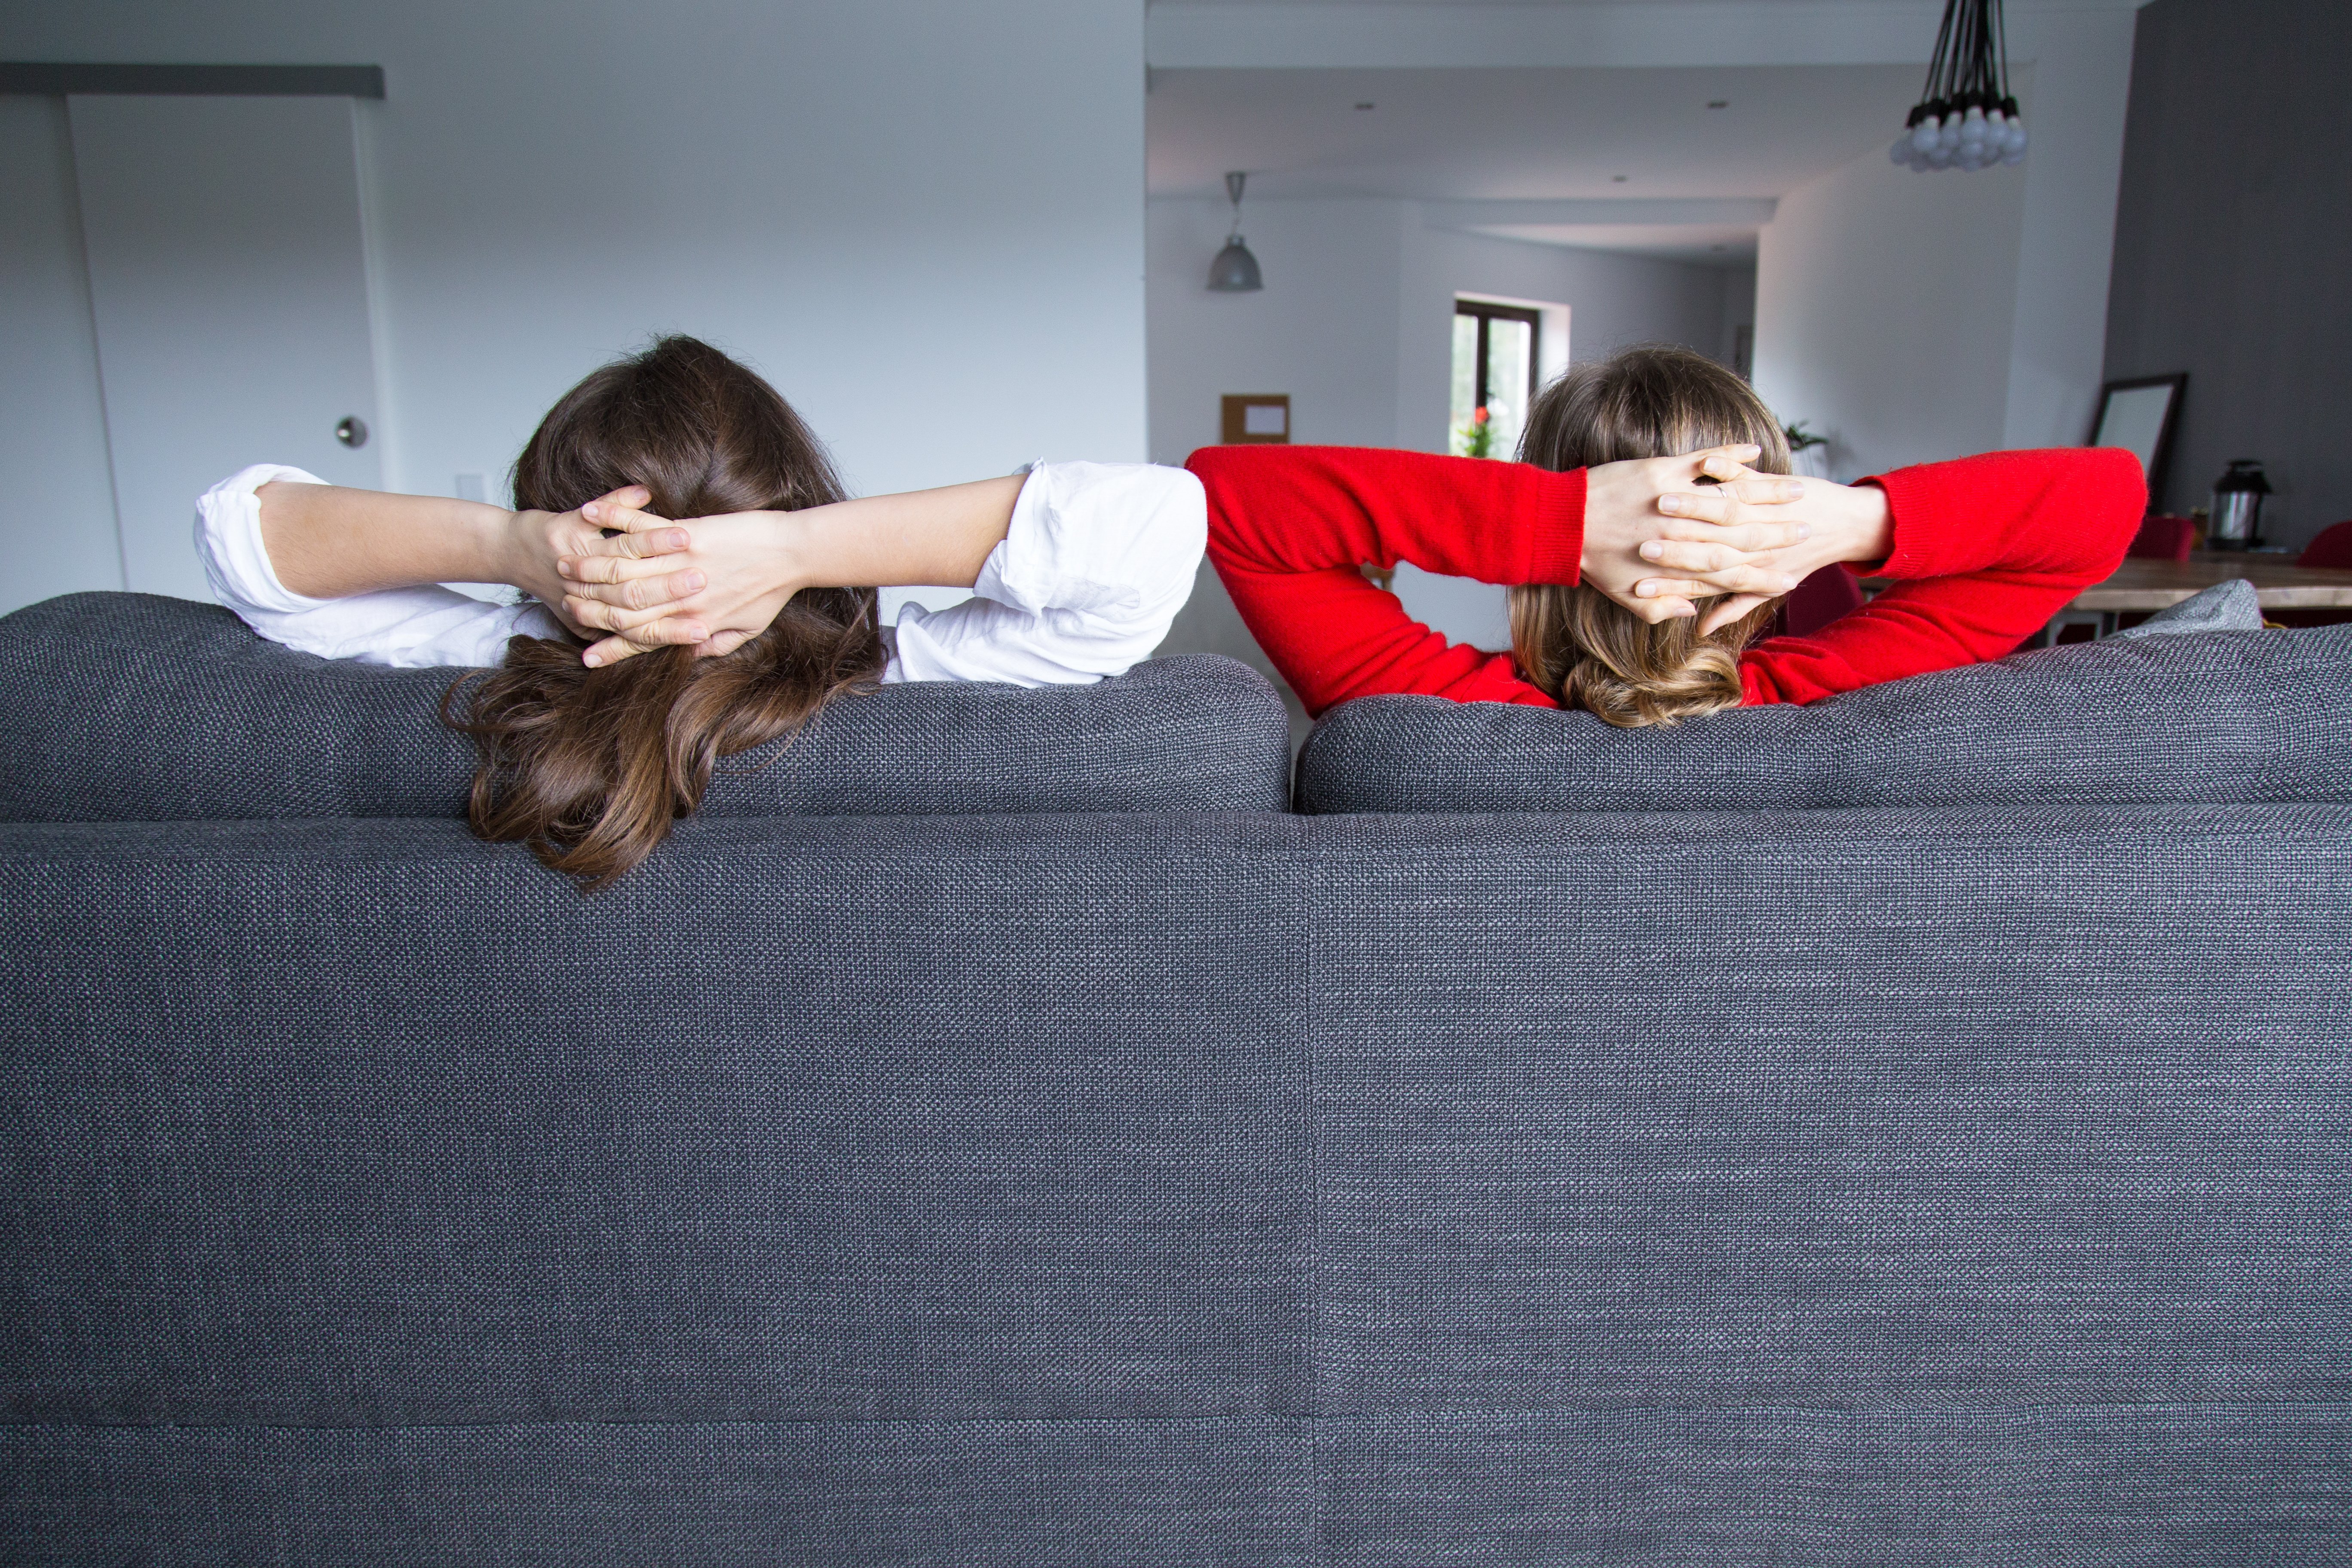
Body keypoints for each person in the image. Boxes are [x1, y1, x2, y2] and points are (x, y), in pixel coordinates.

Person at [199, 336, 1210, 884]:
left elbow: (248, 541)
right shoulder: (908, 684)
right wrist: (799, 549)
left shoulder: (472, 657)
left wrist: (506, 547)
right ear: (789, 494)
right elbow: (1154, 528)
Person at [1185, 343, 2146, 726]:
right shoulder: (1828, 710)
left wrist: (1554, 525)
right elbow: (2103, 506)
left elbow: (1228, 497)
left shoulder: (1430, 711)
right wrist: (1852, 522)